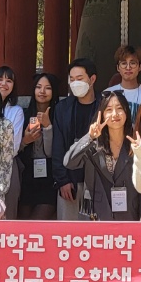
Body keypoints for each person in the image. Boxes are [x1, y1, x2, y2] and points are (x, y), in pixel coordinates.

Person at [64, 90, 141, 220]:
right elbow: (69, 162)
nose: (115, 114)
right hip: (96, 215)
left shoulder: (136, 142)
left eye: (119, 108)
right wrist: (89, 137)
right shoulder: (93, 144)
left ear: (126, 112)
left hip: (129, 214)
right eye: (109, 110)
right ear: (102, 114)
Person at [53, 58, 103, 220]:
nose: (75, 83)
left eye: (80, 79)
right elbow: (58, 145)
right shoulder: (62, 108)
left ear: (92, 79)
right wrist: (62, 180)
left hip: (99, 182)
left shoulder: (104, 106)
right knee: (68, 231)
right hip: (70, 182)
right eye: (72, 79)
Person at [18, 72, 59, 220]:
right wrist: (25, 140)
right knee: (23, 223)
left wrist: (48, 127)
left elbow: (51, 152)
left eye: (48, 88)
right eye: (38, 87)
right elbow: (15, 149)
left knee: (37, 221)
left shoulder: (59, 115)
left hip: (49, 177)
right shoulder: (23, 115)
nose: (42, 91)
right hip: (27, 176)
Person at [0, 65, 27, 217]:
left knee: (8, 212)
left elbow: (14, 144)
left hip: (8, 165)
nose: (4, 84)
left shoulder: (16, 111)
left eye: (9, 81)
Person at [106, 44, 141, 117]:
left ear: (140, 67)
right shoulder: (107, 94)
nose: (128, 67)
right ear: (118, 68)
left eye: (132, 63)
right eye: (124, 63)